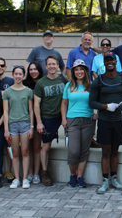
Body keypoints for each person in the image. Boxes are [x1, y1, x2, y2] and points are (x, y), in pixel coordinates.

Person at [89, 51, 122, 194]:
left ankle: (115, 179)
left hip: (119, 120)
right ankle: (105, 181)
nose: (110, 62)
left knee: (115, 151)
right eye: (107, 60)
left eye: (112, 60)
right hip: (105, 121)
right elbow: (91, 102)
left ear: (116, 62)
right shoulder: (98, 81)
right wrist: (105, 106)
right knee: (106, 151)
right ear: (104, 63)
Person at [61, 59, 97, 188]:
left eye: (81, 69)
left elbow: (97, 100)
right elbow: (64, 103)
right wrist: (64, 119)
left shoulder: (91, 86)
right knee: (74, 150)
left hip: (88, 120)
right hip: (73, 120)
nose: (79, 71)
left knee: (84, 150)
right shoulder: (69, 85)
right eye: (76, 69)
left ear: (85, 71)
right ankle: (72, 174)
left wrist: (96, 112)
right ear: (73, 72)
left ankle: (80, 177)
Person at [34, 55, 68, 186]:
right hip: (48, 117)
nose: (52, 66)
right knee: (46, 146)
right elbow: (36, 104)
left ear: (58, 66)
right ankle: (45, 172)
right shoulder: (41, 83)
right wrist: (39, 122)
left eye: (54, 64)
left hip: (62, 115)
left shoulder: (63, 79)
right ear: (46, 66)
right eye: (49, 64)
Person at [3, 66, 34, 189]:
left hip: (25, 123)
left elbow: (31, 110)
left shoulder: (28, 91)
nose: (18, 76)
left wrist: (31, 126)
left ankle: (25, 178)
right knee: (15, 152)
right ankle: (16, 178)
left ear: (23, 75)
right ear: (13, 75)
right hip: (12, 124)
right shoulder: (7, 92)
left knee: (25, 151)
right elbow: (5, 111)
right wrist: (6, 129)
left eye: (20, 74)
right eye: (16, 74)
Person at [22, 61, 44, 184]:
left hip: (38, 119)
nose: (33, 71)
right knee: (27, 149)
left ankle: (36, 173)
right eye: (31, 69)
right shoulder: (25, 84)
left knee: (36, 148)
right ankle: (29, 172)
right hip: (25, 119)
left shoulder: (43, 83)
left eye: (35, 69)